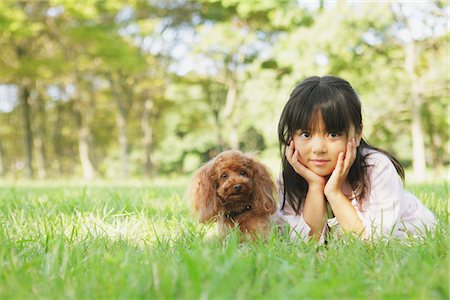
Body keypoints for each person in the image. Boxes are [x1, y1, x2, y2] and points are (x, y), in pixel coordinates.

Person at [277, 75, 436, 242]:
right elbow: (306, 243)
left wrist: (334, 192)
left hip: (411, 237)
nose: (318, 149)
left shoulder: (376, 168)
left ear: (358, 134)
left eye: (333, 134)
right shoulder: (290, 177)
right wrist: (315, 185)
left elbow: (372, 243)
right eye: (306, 134)